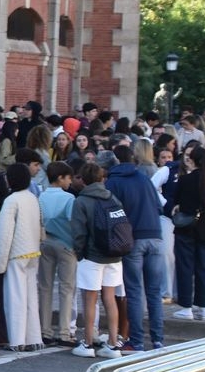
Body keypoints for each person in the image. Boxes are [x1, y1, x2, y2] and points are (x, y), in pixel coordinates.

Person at [105, 144, 167, 350]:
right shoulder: (144, 179)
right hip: (155, 236)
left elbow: (111, 212)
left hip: (134, 238)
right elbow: (158, 206)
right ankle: (158, 340)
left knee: (134, 290)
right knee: (154, 292)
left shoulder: (113, 182)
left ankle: (138, 341)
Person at [70, 163, 124, 359]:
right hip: (115, 254)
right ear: (102, 178)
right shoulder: (112, 197)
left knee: (89, 299)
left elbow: (78, 232)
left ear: (83, 179)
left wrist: (79, 252)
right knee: (110, 298)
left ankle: (88, 342)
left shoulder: (82, 201)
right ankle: (112, 343)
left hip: (92, 255)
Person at [0, 163, 42, 351]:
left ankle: (17, 340)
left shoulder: (11, 200)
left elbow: (4, 235)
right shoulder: (32, 197)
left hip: (16, 253)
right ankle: (33, 338)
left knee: (14, 298)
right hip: (33, 251)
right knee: (30, 297)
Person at [169, 144, 205, 320]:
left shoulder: (185, 180)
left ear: (193, 159)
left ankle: (186, 307)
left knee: (185, 267)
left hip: (186, 228)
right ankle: (204, 308)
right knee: (204, 268)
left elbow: (178, 201)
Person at [37, 162, 78, 345]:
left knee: (45, 287)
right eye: (68, 177)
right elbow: (73, 223)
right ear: (61, 178)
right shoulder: (69, 199)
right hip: (66, 245)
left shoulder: (41, 196)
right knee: (66, 288)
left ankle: (44, 330)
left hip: (45, 242)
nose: (70, 181)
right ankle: (64, 332)